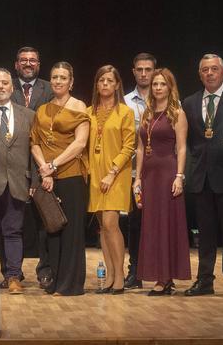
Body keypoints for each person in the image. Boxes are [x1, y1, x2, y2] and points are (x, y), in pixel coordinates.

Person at [182, 54, 223, 298]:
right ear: (199, 74)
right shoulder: (189, 102)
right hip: (201, 178)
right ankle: (204, 281)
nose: (209, 73)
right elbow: (188, 142)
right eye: (204, 70)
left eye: (214, 69)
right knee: (205, 234)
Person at [30, 62, 90, 296]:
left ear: (71, 82)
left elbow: (80, 143)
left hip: (71, 174)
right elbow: (34, 142)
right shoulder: (42, 109)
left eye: (63, 77)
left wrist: (54, 165)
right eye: (54, 77)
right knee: (52, 229)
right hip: (47, 176)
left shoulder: (79, 106)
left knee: (72, 230)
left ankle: (70, 284)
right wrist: (44, 168)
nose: (57, 81)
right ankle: (53, 281)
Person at [0, 68, 36, 294]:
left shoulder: (28, 115)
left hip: (18, 182)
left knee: (13, 231)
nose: (0, 86)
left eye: (5, 83)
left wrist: (34, 180)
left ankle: (13, 276)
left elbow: (34, 151)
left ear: (12, 88)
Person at [134, 68, 191, 295]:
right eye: (155, 84)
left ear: (170, 87)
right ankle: (160, 275)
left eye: (162, 84)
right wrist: (137, 178)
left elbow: (182, 147)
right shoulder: (147, 112)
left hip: (168, 173)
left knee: (167, 224)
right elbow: (139, 148)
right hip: (149, 175)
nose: (157, 88)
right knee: (152, 225)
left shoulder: (177, 113)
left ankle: (165, 278)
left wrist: (179, 176)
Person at [87, 65, 135, 294]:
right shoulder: (88, 112)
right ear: (96, 84)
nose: (105, 84)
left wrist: (112, 171)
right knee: (102, 229)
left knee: (110, 224)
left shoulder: (125, 112)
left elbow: (129, 146)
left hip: (116, 174)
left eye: (109, 80)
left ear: (117, 85)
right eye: (101, 80)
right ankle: (109, 274)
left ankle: (120, 274)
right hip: (95, 175)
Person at [10, 46, 53, 288]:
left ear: (39, 64)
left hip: (42, 164)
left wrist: (45, 168)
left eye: (33, 60)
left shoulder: (50, 88)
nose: (28, 64)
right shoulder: (6, 85)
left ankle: (45, 269)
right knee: (11, 223)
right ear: (16, 64)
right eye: (23, 60)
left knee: (44, 222)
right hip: (12, 165)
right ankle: (12, 271)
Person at [122, 52, 156, 289]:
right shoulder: (124, 101)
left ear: (155, 71)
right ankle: (135, 270)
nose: (144, 73)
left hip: (160, 172)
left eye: (148, 69)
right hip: (133, 172)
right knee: (135, 223)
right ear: (133, 71)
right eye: (139, 69)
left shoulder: (167, 99)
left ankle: (162, 270)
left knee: (160, 222)